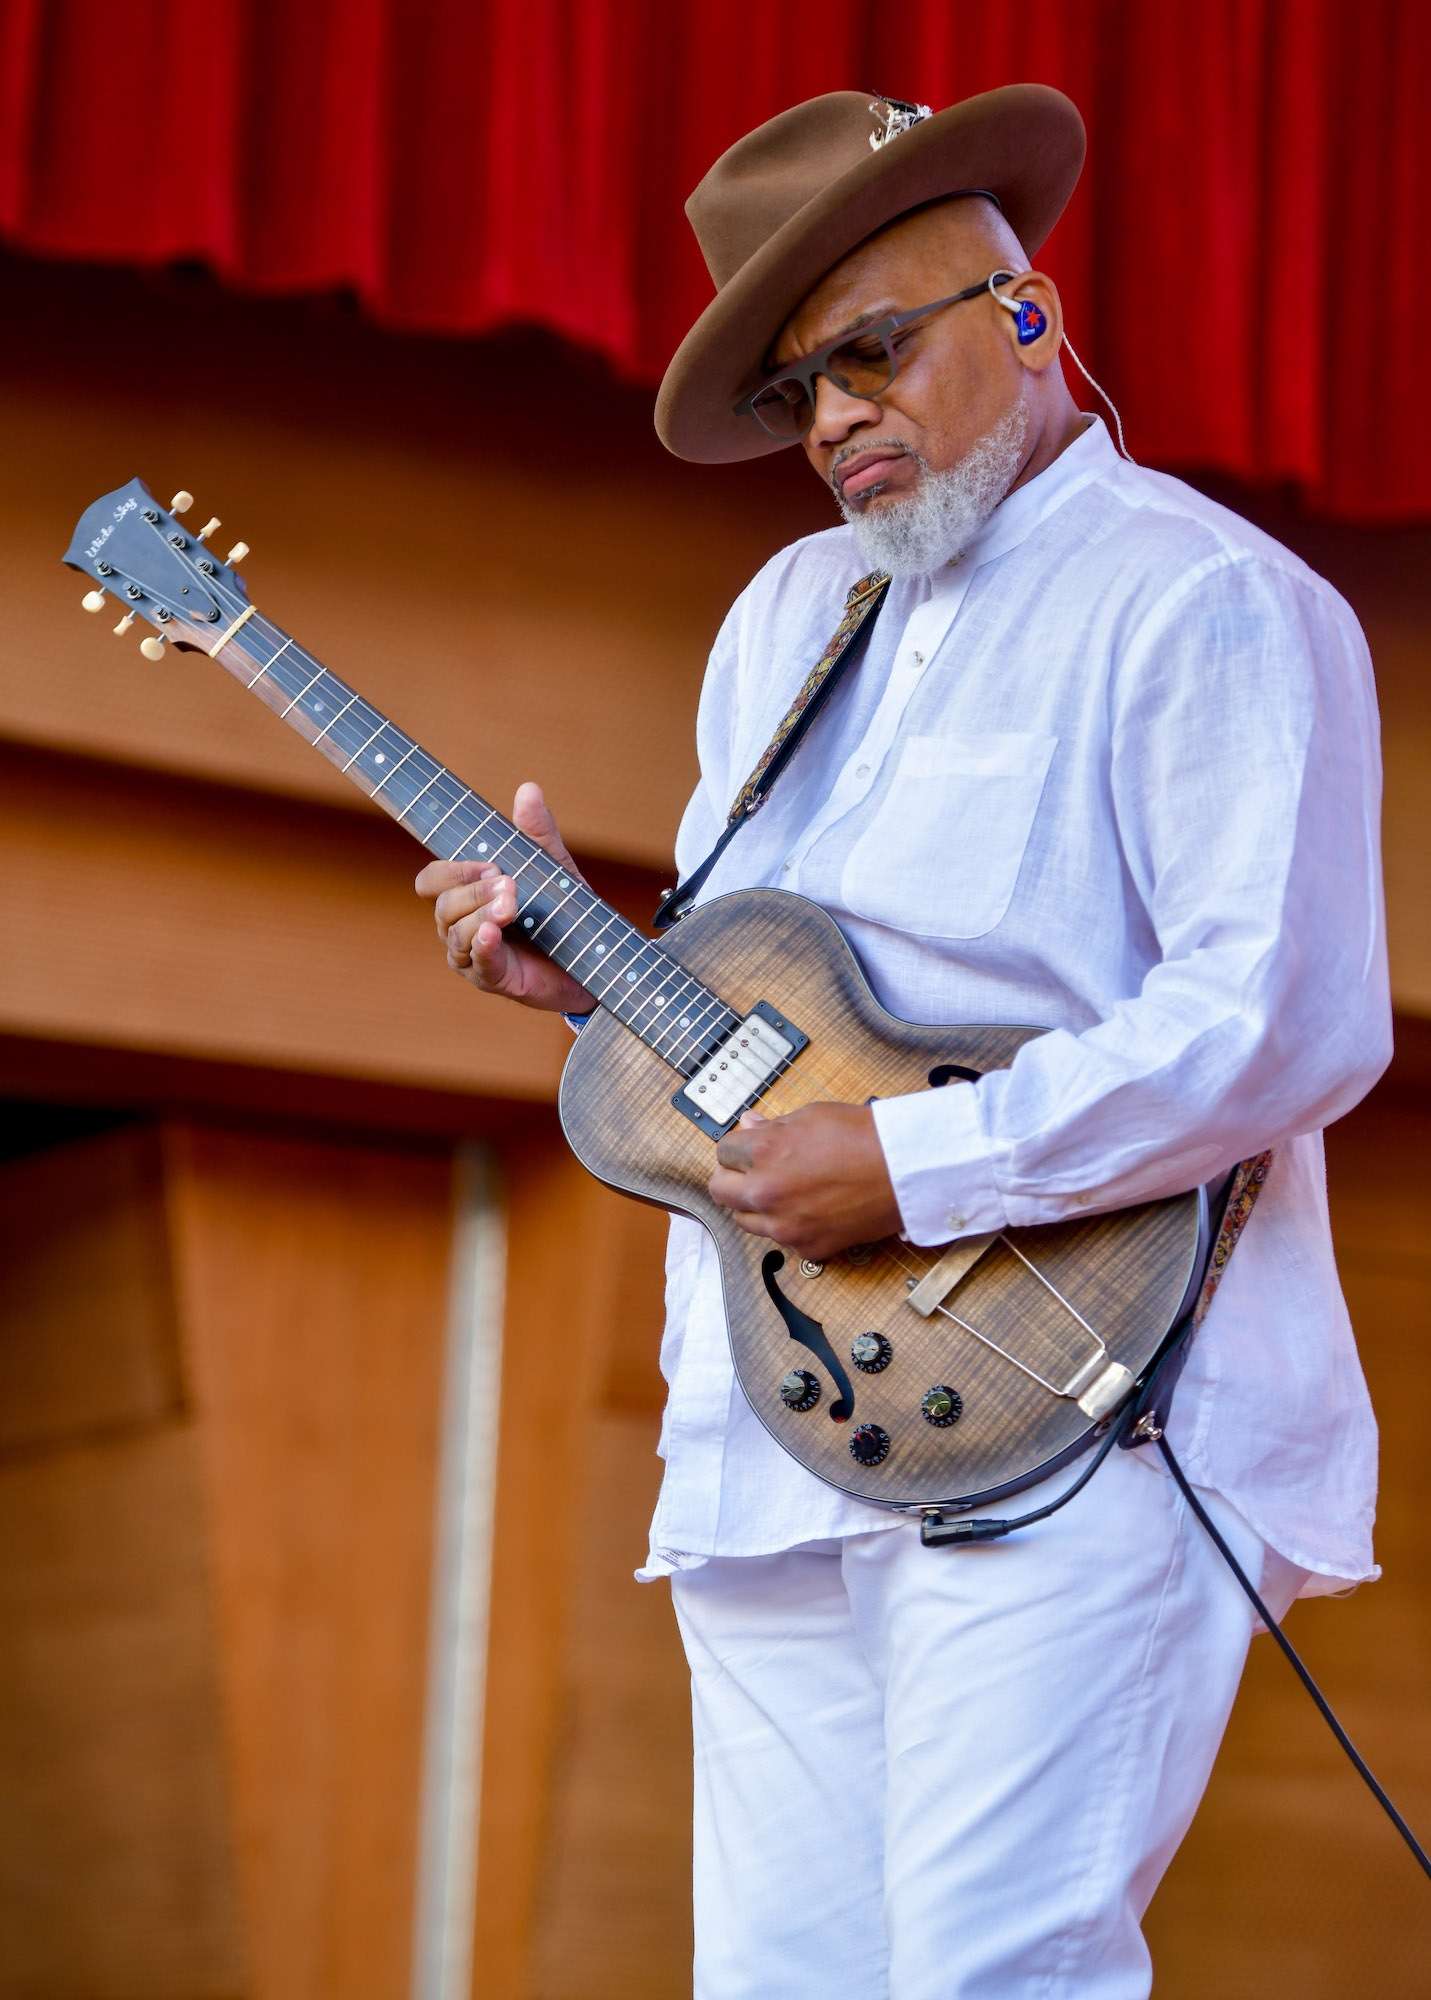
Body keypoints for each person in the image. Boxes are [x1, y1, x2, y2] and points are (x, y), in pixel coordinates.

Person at [415, 86, 1391, 2000]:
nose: (838, 420)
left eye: (873, 349)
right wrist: (591, 980)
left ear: (1027, 316)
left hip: (1085, 1405)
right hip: (780, 1425)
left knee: (990, 1978)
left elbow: (1277, 1018)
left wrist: (918, 1164)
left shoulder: (1201, 600)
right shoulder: (783, 618)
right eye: (798, 392)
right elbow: (769, 1015)